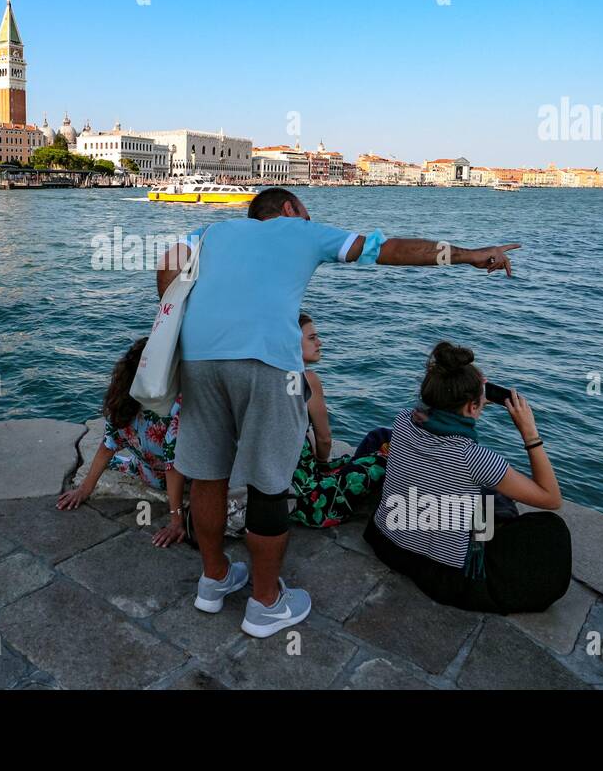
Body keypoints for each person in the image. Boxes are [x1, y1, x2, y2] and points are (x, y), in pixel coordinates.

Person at [156, 186, 520, 638]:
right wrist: (468, 256)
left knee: (207, 475)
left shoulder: (212, 230)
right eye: (305, 213)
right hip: (268, 362)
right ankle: (265, 605)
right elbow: (388, 250)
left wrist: (182, 320)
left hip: (199, 357)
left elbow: (167, 262)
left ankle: (212, 581)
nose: (309, 219)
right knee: (269, 484)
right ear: (290, 209)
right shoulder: (298, 230)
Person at [363, 341, 570, 613]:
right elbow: (551, 498)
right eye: (480, 403)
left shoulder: (402, 420)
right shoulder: (474, 458)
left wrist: (462, 386)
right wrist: (530, 433)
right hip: (444, 573)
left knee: (483, 497)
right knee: (550, 528)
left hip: (387, 543)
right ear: (473, 407)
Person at [56, 338, 187, 547]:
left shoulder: (123, 404)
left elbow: (107, 446)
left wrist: (84, 490)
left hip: (147, 473)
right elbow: (173, 468)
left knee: (119, 459)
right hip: (184, 481)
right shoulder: (174, 409)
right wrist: (176, 519)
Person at [289, 312, 385, 528]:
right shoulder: (307, 379)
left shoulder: (269, 376)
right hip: (308, 502)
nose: (319, 342)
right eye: (312, 338)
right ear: (291, 341)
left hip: (273, 489)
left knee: (376, 438)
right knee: (381, 458)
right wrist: (323, 464)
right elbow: (324, 438)